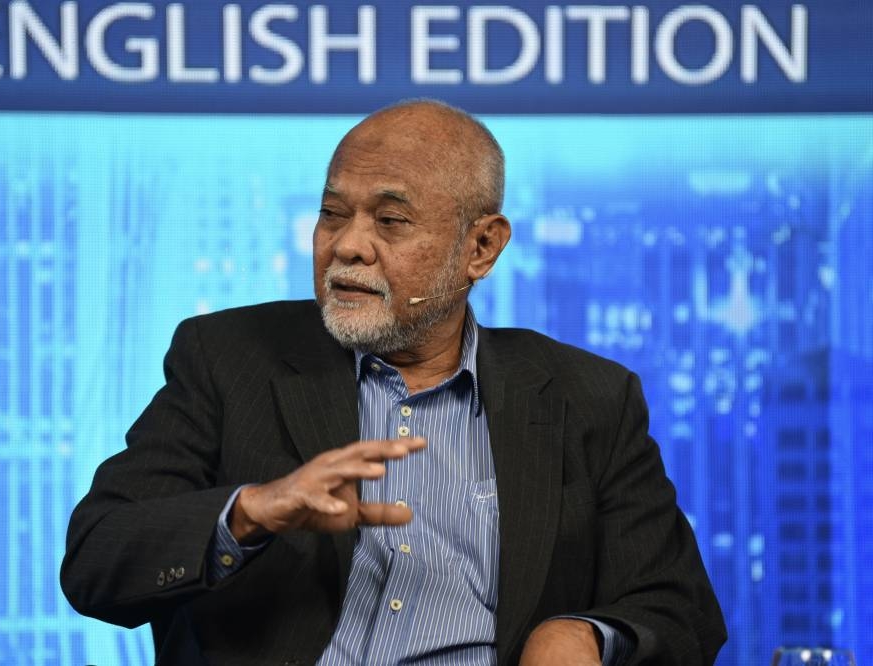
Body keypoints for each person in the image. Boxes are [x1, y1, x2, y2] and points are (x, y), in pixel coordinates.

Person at [61, 100, 726, 665]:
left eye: (390, 221)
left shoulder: (589, 397)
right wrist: (250, 512)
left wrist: (585, 634)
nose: (346, 246)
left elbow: (678, 607)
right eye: (332, 214)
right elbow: (96, 557)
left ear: (481, 248)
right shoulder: (230, 358)